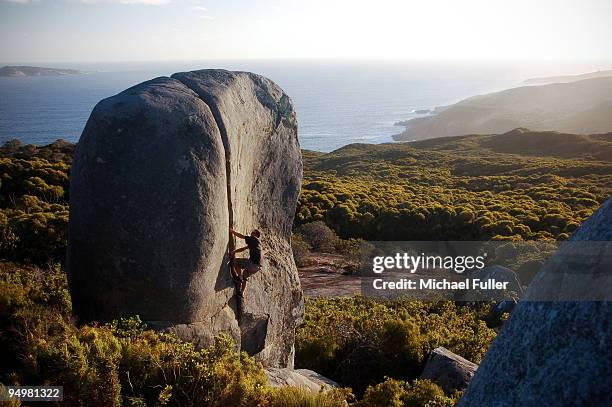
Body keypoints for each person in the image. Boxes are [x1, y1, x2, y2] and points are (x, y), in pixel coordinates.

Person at [229, 228, 262, 298]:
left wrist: (232, 232)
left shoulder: (254, 239)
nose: (251, 233)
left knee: (235, 261)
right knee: (245, 277)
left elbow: (242, 236)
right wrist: (234, 252)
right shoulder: (255, 243)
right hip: (256, 268)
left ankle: (239, 278)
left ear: (256, 235)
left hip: (252, 263)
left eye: (253, 232)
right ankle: (241, 292)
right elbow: (243, 249)